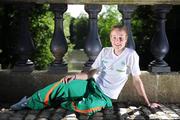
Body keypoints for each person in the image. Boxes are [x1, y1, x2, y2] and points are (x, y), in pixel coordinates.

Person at [10, 25, 160, 116]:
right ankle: (29, 101)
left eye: (121, 38)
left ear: (126, 40)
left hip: (105, 97)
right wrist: (75, 76)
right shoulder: (105, 51)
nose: (117, 41)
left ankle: (60, 102)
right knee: (62, 85)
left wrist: (147, 103)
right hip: (91, 84)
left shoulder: (131, 55)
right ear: (110, 38)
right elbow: (91, 73)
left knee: (86, 108)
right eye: (114, 37)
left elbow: (137, 80)